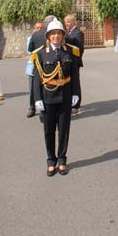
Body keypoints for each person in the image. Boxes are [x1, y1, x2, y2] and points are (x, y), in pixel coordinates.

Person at [32, 19, 80, 176]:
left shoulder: (70, 52)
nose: (56, 37)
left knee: (64, 131)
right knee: (49, 131)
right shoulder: (40, 54)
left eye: (59, 33)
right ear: (48, 36)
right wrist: (37, 99)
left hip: (65, 98)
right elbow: (37, 78)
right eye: (53, 34)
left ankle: (62, 160)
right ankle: (51, 160)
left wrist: (76, 95)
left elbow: (75, 76)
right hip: (48, 98)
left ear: (63, 35)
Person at [64, 14, 84, 114]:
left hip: (74, 62)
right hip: (68, 62)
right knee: (70, 83)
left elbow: (80, 49)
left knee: (75, 83)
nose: (66, 24)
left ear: (73, 22)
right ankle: (71, 102)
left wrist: (73, 59)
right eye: (65, 22)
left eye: (68, 22)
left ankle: (76, 105)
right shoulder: (68, 32)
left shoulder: (78, 32)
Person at [26, 21, 44, 118]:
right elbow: (30, 51)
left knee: (41, 90)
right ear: (35, 28)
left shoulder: (45, 38)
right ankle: (32, 108)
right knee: (32, 90)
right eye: (37, 28)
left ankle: (41, 109)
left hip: (42, 69)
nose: (39, 29)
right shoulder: (31, 38)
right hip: (32, 68)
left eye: (41, 28)